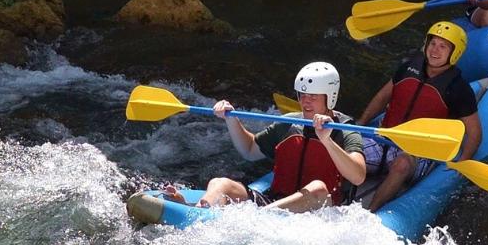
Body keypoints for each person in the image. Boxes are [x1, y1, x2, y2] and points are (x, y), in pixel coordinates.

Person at [156, 62, 366, 214]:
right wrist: (231, 118)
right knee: (221, 183)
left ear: (330, 97)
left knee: (318, 188)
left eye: (313, 96)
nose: (305, 102)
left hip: (320, 213)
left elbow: (358, 176)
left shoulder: (344, 129)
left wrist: (327, 140)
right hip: (275, 203)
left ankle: (254, 221)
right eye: (302, 95)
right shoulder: (288, 123)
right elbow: (249, 150)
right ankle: (198, 213)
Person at [355, 22, 482, 211]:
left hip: (418, 152)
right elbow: (382, 97)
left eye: (443, 46)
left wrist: (463, 162)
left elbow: (474, 132)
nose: (435, 50)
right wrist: (361, 124)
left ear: (454, 53)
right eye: (432, 43)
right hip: (383, 139)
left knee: (401, 165)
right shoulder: (407, 69)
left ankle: (369, 213)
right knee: (348, 151)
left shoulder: (458, 89)